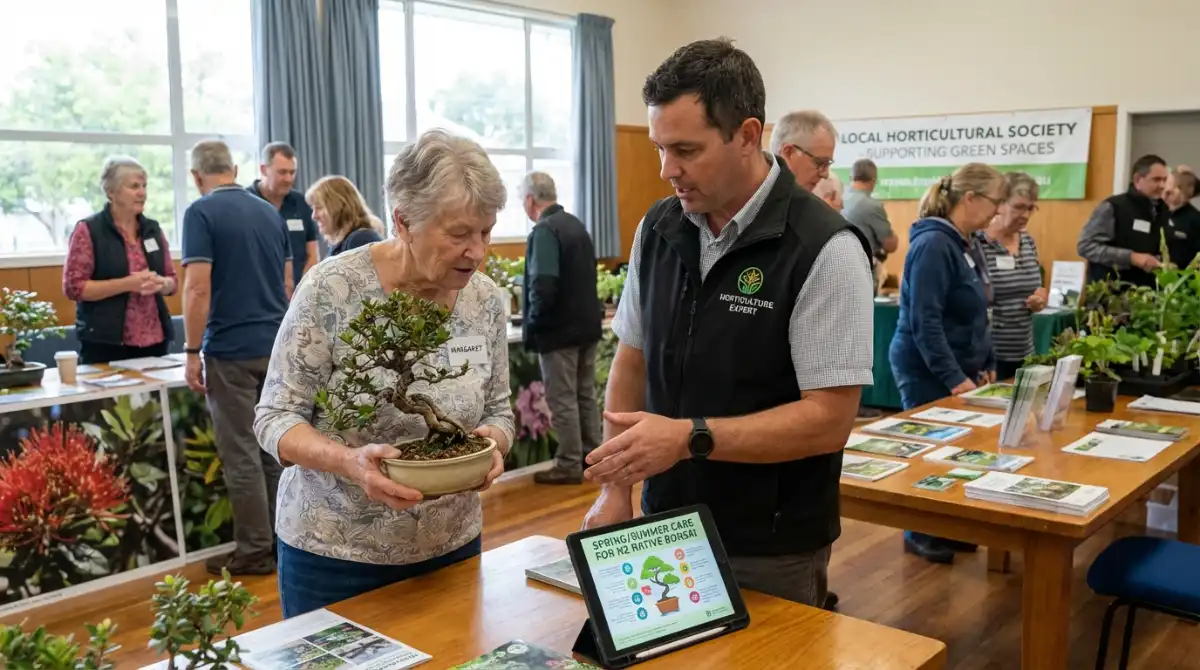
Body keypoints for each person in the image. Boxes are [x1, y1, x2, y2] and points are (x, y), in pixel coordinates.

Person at [580, 38, 874, 609]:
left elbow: (829, 420)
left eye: (686, 150)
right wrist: (618, 487)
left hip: (768, 545)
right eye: (660, 148)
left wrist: (688, 438)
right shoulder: (659, 228)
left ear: (747, 135)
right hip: (664, 523)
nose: (667, 170)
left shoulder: (825, 247)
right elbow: (632, 361)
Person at [253, 129, 513, 618]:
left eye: (486, 232)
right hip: (336, 556)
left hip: (451, 548)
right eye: (459, 234)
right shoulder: (332, 289)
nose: (477, 252)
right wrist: (349, 462)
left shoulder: (483, 299)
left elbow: (499, 411)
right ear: (403, 221)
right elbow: (275, 417)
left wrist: (492, 446)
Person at [181, 139, 293, 576]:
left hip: (229, 350)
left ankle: (253, 551)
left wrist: (191, 350)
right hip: (274, 345)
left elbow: (197, 288)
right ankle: (284, 543)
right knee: (271, 450)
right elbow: (287, 284)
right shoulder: (269, 212)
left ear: (197, 176)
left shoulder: (201, 213)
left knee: (241, 454)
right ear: (234, 169)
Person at [890, 162, 1008, 564]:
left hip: (961, 365)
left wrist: (987, 361)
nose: (998, 211)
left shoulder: (968, 243)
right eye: (995, 202)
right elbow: (925, 321)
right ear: (970, 198)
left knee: (958, 451)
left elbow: (980, 309)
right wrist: (954, 377)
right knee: (929, 451)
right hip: (925, 368)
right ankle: (919, 532)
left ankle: (946, 526)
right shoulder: (934, 245)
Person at [518, 171, 604, 485]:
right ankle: (593, 457)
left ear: (530, 200)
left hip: (558, 332)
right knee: (585, 396)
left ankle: (569, 464)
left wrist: (536, 325)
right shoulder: (576, 225)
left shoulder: (544, 231)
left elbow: (543, 285)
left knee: (563, 399)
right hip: (587, 328)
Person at [63, 156, 177, 364]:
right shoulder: (88, 230)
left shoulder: (152, 229)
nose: (142, 193)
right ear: (111, 192)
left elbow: (172, 280)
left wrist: (162, 284)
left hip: (155, 341)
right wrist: (128, 284)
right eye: (134, 186)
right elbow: (74, 288)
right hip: (106, 344)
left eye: (144, 186)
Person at [977, 172, 1048, 381]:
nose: (1025, 215)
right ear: (999, 204)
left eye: (1030, 208)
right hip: (987, 356)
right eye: (1018, 207)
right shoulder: (978, 243)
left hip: (1024, 352)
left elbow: (1035, 287)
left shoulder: (1028, 241)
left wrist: (1040, 298)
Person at [1077, 154, 1169, 288]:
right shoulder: (1113, 207)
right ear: (1138, 179)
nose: (1162, 185)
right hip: (1110, 293)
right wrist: (1131, 257)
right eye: (1156, 179)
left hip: (1148, 294)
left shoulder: (1163, 210)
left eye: (1165, 180)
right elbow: (1086, 246)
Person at [249, 142, 319, 287]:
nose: (288, 179)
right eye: (282, 172)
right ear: (263, 170)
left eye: (292, 172)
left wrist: (301, 291)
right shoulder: (246, 202)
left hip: (297, 293)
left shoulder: (302, 203)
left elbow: (312, 255)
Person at [305, 175, 385, 256]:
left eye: (319, 207)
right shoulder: (340, 243)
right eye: (313, 209)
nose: (314, 216)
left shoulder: (360, 240)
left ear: (338, 206)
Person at [842, 159, 899, 264]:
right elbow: (890, 245)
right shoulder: (873, 206)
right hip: (863, 267)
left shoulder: (837, 198)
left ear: (851, 178)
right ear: (873, 181)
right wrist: (894, 236)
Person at [769, 109, 836, 191]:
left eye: (827, 164)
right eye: (819, 163)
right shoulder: (756, 194)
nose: (825, 175)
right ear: (788, 153)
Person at [1163, 168, 1200, 269]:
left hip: (1181, 274)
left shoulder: (1195, 218)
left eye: (1175, 187)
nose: (1168, 191)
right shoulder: (1158, 210)